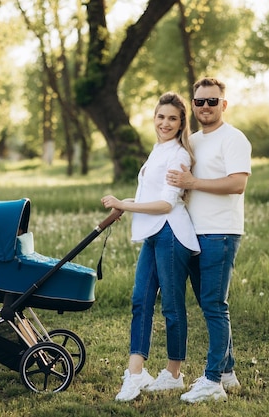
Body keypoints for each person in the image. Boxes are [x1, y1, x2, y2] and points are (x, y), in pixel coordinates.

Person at [101, 92, 200, 402]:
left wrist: (126, 206)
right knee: (140, 300)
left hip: (172, 235)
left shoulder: (179, 155)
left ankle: (173, 374)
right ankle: (136, 373)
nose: (165, 123)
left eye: (172, 118)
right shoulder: (157, 152)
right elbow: (149, 197)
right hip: (154, 234)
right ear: (154, 118)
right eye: (161, 116)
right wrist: (124, 204)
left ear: (181, 122)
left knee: (171, 305)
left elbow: (165, 204)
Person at [166, 77, 252, 403]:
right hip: (194, 234)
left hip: (221, 232)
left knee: (216, 306)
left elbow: (237, 185)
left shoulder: (234, 139)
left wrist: (193, 181)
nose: (205, 107)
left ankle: (212, 380)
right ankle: (228, 372)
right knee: (208, 304)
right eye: (199, 101)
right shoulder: (194, 140)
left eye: (211, 101)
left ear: (223, 104)